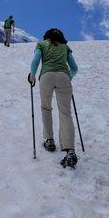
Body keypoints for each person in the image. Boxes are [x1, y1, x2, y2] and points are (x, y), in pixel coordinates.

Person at [28, 28, 79, 168]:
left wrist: (32, 75)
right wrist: (69, 78)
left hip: (46, 76)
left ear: (46, 37)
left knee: (46, 107)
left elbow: (35, 61)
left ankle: (49, 141)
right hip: (64, 77)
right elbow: (74, 68)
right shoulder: (65, 47)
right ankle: (70, 151)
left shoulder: (41, 44)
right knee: (65, 113)